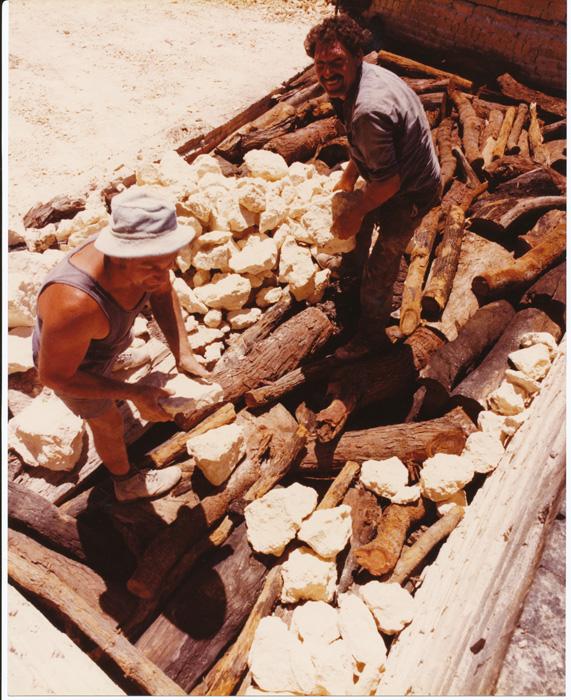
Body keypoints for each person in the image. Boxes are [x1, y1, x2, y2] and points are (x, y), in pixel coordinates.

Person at [32, 187, 208, 502]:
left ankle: (113, 359)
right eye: (153, 267)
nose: (163, 272)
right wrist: (134, 393)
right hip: (73, 366)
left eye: (168, 261)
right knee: (109, 422)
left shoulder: (146, 256)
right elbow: (53, 377)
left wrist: (183, 353)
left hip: (99, 341)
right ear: (119, 256)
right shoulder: (74, 305)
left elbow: (163, 291)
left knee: (115, 359)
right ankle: (126, 483)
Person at [304, 15, 441, 358]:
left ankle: (370, 334)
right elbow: (364, 141)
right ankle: (351, 279)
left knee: (384, 259)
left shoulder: (369, 107)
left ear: (356, 56)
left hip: (412, 189)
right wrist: (351, 175)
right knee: (354, 214)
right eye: (320, 64)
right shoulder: (357, 82)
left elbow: (388, 182)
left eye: (336, 63)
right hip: (391, 174)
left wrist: (355, 210)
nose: (327, 73)